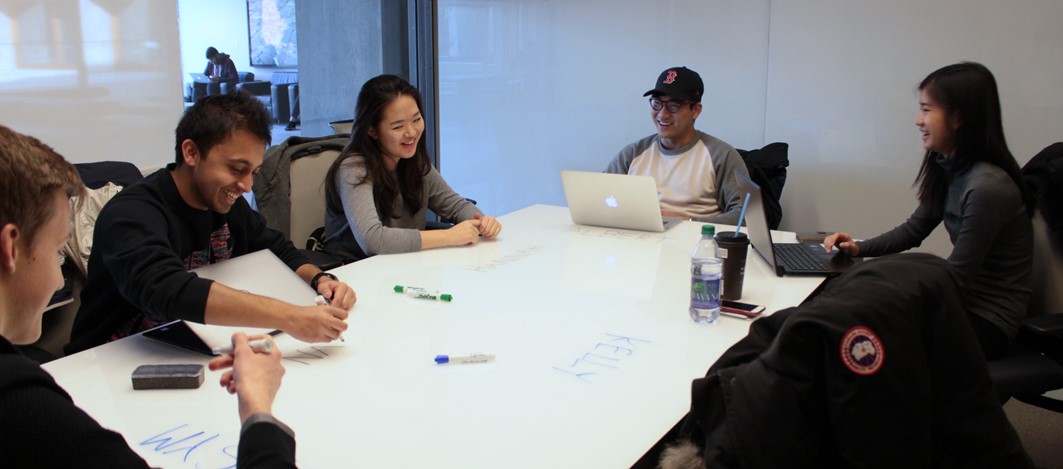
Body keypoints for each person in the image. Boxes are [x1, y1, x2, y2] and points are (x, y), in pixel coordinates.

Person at [0, 124, 296, 467]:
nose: (57, 280)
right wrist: (259, 410)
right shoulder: (21, 402)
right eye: (56, 252)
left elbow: (275, 243)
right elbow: (163, 286)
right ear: (11, 248)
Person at [65, 91, 356, 355]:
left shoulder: (225, 203)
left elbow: (275, 246)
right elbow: (165, 288)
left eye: (254, 172)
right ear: (191, 152)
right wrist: (290, 317)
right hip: (108, 360)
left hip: (196, 346)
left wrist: (320, 280)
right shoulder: (131, 213)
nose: (246, 185)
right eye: (236, 169)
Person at [824, 62, 1034, 360]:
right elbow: (914, 230)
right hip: (958, 307)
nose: (918, 120)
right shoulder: (950, 167)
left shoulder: (987, 187)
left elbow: (956, 278)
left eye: (927, 109)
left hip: (986, 321)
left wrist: (879, 286)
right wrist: (858, 248)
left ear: (959, 117)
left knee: (858, 338)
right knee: (843, 323)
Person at [322, 74, 502, 261]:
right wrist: (448, 236)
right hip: (355, 272)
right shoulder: (354, 168)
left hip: (404, 263)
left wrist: (482, 222)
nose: (411, 133)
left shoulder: (414, 161)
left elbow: (455, 206)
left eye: (416, 120)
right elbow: (373, 240)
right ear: (372, 130)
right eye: (398, 127)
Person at [604, 66, 750, 224]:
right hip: (638, 239)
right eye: (657, 104)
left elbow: (746, 215)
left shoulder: (721, 155)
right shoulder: (633, 153)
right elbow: (599, 196)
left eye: (674, 106)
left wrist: (687, 220)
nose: (662, 114)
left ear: (695, 110)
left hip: (695, 242)